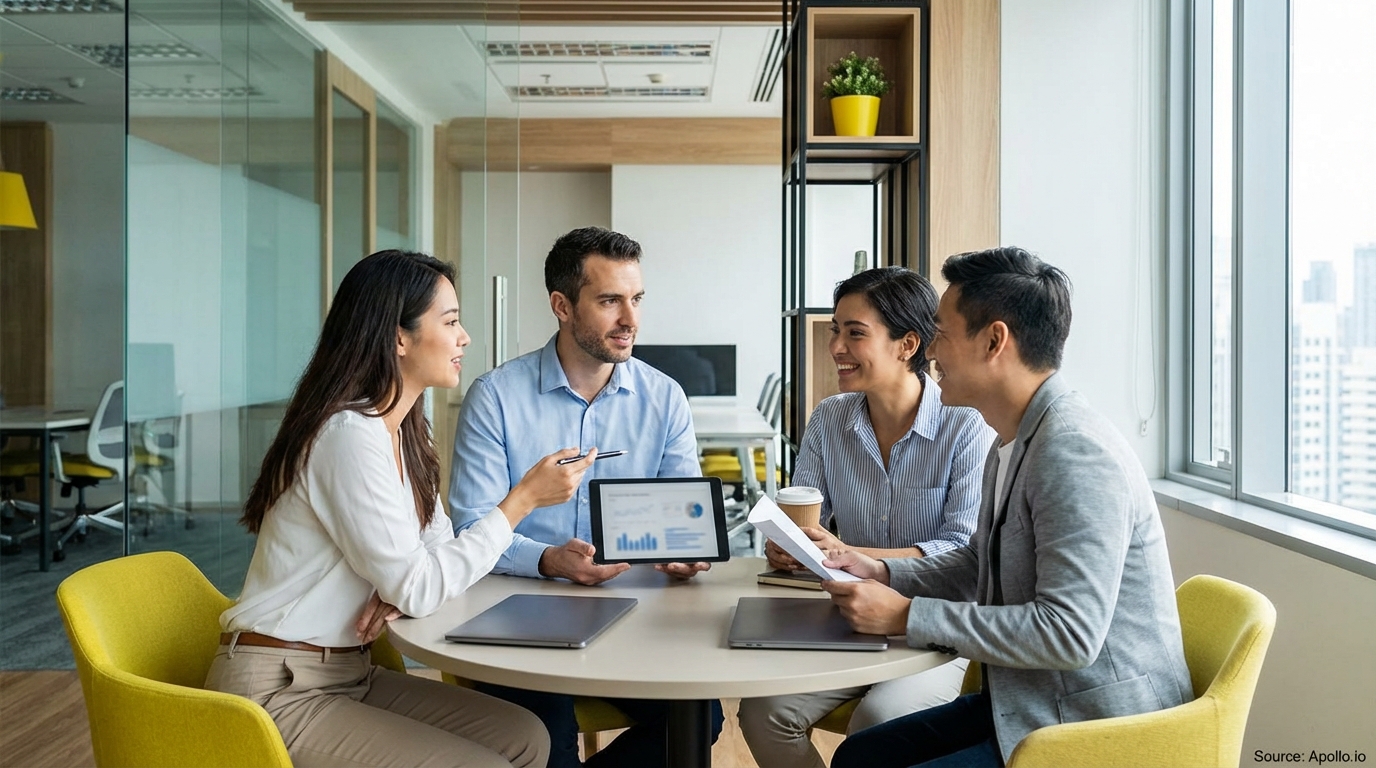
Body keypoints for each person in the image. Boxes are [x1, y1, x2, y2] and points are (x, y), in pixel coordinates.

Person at [207, 250, 596, 768]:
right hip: (278, 687)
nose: (465, 338)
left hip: (350, 672)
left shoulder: (403, 434)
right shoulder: (348, 436)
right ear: (398, 337)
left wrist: (403, 590)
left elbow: (433, 559)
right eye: (451, 321)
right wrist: (521, 500)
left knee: (526, 736)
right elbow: (421, 581)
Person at [822, 247, 1193, 768]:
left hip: (1095, 724)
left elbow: (1069, 634)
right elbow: (979, 563)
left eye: (942, 335)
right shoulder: (1016, 437)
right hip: (1028, 703)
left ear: (994, 340)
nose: (930, 354)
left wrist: (908, 615)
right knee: (862, 756)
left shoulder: (1073, 452)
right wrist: (882, 570)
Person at [449, 226, 724, 768]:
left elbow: (683, 514)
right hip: (521, 612)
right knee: (546, 741)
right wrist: (550, 560)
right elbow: (470, 528)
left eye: (636, 299)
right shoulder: (496, 398)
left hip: (635, 612)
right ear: (562, 305)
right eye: (609, 301)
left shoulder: (664, 398)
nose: (631, 319)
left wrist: (686, 550)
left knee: (698, 720)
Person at [738, 267, 995, 768]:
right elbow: (807, 520)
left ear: (908, 344)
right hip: (849, 617)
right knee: (762, 713)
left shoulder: (965, 425)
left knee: (878, 722)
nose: (836, 346)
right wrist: (790, 547)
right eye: (836, 329)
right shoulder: (830, 417)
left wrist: (847, 553)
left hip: (934, 625)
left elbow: (962, 548)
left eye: (855, 333)